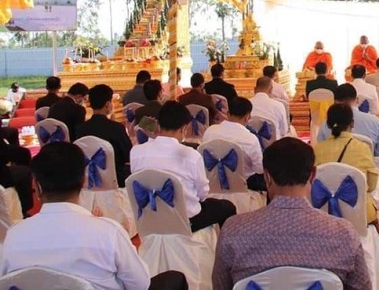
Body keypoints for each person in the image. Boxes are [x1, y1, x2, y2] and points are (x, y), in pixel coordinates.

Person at [1, 143, 187, 290]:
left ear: (37, 186)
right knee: (173, 279)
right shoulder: (108, 232)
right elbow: (140, 284)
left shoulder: (14, 236)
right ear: (83, 179)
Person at [212, 138, 371, 290]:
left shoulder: (233, 230)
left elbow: (220, 286)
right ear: (312, 175)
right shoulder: (344, 233)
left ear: (267, 177)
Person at [130, 101, 236, 233]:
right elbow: (202, 194)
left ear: (158, 124)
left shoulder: (136, 152)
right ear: (183, 129)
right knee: (227, 207)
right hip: (185, 220)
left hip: (150, 215)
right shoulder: (191, 155)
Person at [314, 104, 378, 226]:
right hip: (359, 212)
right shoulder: (363, 148)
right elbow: (371, 185)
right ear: (352, 123)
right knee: (377, 226)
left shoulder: (317, 149)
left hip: (324, 212)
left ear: (328, 124)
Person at [203, 96, 265, 191]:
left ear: (227, 114)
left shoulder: (210, 131)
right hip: (244, 185)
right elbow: (259, 169)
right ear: (248, 117)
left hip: (212, 181)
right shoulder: (250, 139)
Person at [76, 84, 133, 187]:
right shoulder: (116, 128)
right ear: (107, 104)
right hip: (115, 182)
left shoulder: (80, 129)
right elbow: (128, 155)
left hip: (87, 182)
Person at [317, 84, 379, 157]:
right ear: (357, 99)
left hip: (335, 167)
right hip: (365, 165)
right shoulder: (374, 121)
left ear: (334, 101)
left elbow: (321, 149)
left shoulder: (326, 123)